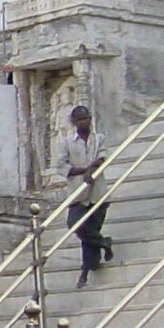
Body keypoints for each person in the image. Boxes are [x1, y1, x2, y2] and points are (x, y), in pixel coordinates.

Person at [62, 104, 112, 287]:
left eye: (86, 118)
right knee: (76, 224)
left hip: (98, 192)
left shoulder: (98, 139)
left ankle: (86, 272)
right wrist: (84, 170)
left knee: (92, 228)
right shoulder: (66, 142)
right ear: (74, 122)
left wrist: (93, 168)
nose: (84, 122)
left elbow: (103, 156)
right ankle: (104, 243)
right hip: (78, 193)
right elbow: (61, 166)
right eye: (80, 119)